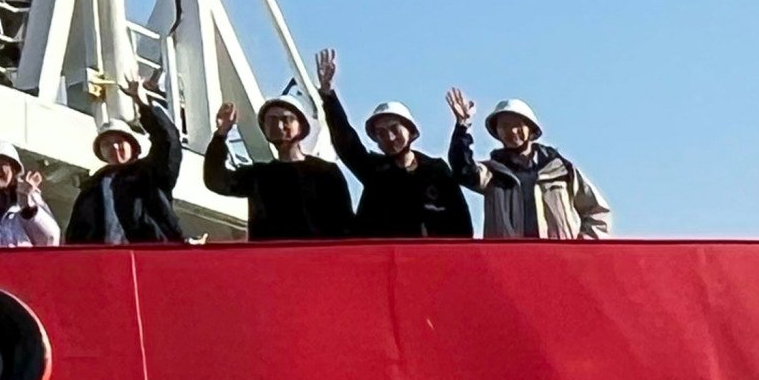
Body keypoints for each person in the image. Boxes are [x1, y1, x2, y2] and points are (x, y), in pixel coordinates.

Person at [316, 48, 473, 238]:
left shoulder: (436, 171)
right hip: (379, 261)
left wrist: (462, 126)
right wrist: (328, 95)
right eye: (381, 133)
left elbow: (461, 224)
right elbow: (346, 142)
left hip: (426, 262)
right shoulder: (374, 171)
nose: (389, 138)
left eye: (394, 129)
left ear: (412, 132)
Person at [450, 91, 612, 238]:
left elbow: (597, 211)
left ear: (531, 129)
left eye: (517, 124)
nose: (512, 131)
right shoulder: (492, 174)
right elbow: (462, 169)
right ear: (497, 132)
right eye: (504, 126)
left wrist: (582, 248)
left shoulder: (560, 169)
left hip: (558, 264)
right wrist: (462, 125)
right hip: (507, 264)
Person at [202, 92, 359, 240]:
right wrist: (221, 134)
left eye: (286, 119)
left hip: (315, 260)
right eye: (271, 120)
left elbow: (344, 223)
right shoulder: (258, 175)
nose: (278, 125)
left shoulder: (325, 172)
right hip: (270, 261)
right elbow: (216, 181)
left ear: (301, 127)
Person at [63, 76, 187, 243]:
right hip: (106, 263)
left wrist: (143, 104)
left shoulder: (151, 175)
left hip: (151, 258)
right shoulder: (91, 190)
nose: (114, 147)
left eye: (119, 142)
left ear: (133, 147)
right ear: (101, 153)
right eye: (107, 144)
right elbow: (77, 236)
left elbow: (168, 140)